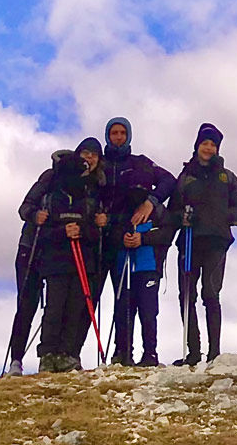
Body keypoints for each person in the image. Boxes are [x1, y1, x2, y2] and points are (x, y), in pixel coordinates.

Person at [20, 137, 106, 371]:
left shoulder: (90, 197)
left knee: (75, 308)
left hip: (82, 261)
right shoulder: (52, 197)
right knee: (55, 307)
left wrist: (83, 230)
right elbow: (42, 232)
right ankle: (48, 355)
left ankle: (67, 354)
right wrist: (63, 232)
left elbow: (96, 232)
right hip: (56, 261)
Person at [96, 116, 175, 363]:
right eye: (114, 133)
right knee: (122, 302)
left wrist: (150, 203)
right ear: (108, 136)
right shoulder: (101, 165)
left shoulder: (141, 163)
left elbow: (169, 180)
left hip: (142, 247)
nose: (118, 137)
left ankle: (149, 353)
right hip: (112, 238)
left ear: (128, 135)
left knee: (147, 307)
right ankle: (123, 352)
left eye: (122, 133)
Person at [170, 122, 237, 365]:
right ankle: (193, 353)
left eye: (213, 144)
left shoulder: (227, 177)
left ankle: (214, 354)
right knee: (187, 295)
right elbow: (172, 210)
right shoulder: (185, 177)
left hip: (216, 241)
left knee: (210, 293)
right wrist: (181, 218)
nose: (208, 148)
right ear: (197, 145)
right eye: (205, 143)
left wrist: (227, 217)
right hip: (190, 240)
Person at [108, 179, 177, 366]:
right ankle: (123, 353)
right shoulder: (121, 208)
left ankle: (150, 354)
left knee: (148, 311)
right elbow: (110, 231)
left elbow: (167, 233)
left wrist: (143, 238)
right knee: (124, 310)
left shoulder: (158, 210)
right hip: (125, 266)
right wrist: (123, 238)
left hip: (149, 266)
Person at [3, 151, 55, 375]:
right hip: (30, 247)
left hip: (52, 251)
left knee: (51, 306)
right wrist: (34, 216)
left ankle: (46, 356)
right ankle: (16, 359)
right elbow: (24, 208)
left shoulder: (80, 185)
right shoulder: (48, 179)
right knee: (26, 305)